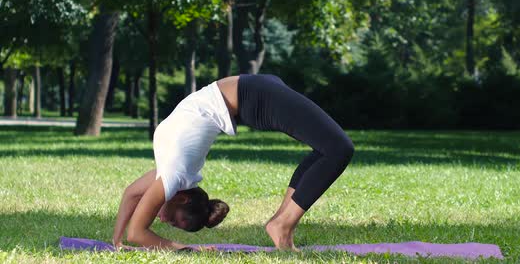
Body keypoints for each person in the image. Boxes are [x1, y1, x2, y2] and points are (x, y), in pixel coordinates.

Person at [112, 74, 354, 251]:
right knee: (333, 149)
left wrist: (187, 250)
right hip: (249, 92)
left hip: (254, 94)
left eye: (175, 220)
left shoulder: (173, 173)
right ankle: (282, 222)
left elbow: (136, 228)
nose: (163, 221)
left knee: (337, 149)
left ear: (182, 198)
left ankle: (282, 223)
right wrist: (117, 241)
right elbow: (132, 197)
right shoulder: (172, 170)